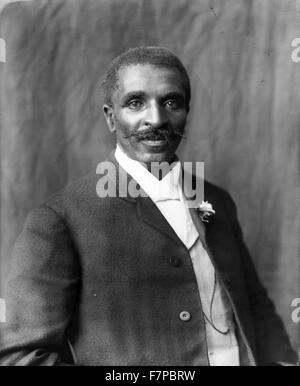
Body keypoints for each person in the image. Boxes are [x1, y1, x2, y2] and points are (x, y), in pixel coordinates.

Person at [0, 46, 297, 366]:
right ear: (111, 117)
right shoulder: (59, 219)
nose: (156, 119)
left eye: (171, 102)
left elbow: (253, 306)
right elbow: (24, 356)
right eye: (135, 102)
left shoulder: (216, 201)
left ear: (187, 112)